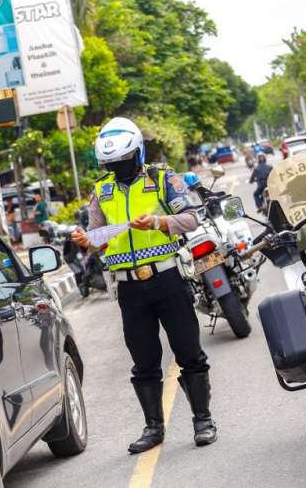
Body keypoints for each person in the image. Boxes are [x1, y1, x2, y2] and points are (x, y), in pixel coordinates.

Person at [71, 117, 217, 454]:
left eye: (123, 161)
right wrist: (85, 240)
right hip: (129, 289)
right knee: (143, 359)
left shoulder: (163, 179)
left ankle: (203, 420)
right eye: (111, 163)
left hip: (167, 277)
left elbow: (191, 220)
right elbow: (98, 238)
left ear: (138, 154)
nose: (118, 168)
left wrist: (157, 221)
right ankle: (154, 428)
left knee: (188, 351)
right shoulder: (101, 190)